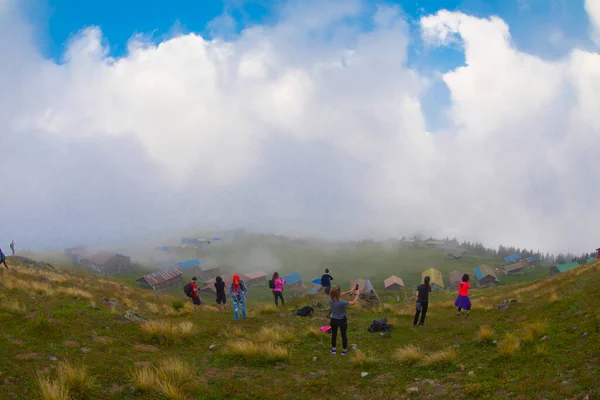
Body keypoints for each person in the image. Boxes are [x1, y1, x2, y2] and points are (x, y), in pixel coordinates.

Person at [328, 285, 360, 355]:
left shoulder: (330, 299)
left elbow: (340, 295)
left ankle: (333, 350)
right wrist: (357, 295)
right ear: (338, 293)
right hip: (342, 320)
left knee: (334, 334)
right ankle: (344, 351)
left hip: (333, 320)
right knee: (343, 335)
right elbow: (353, 302)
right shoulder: (342, 303)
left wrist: (351, 290)